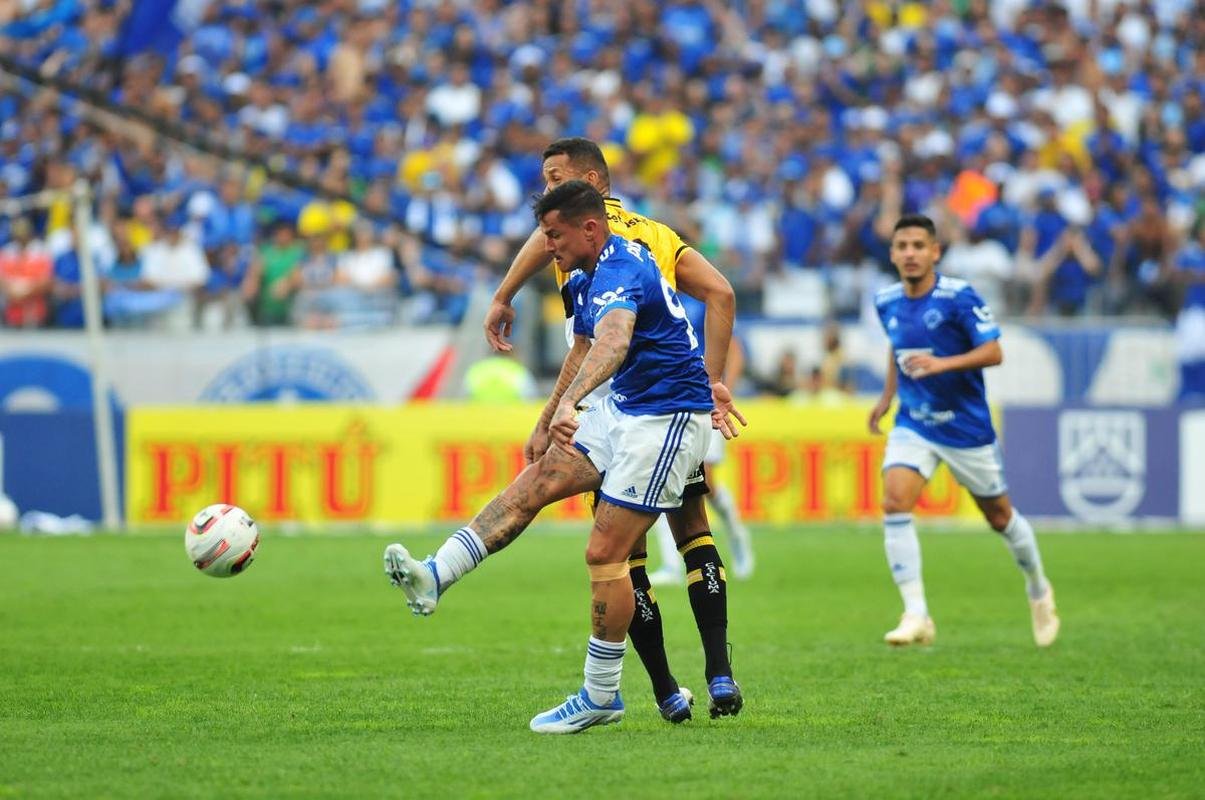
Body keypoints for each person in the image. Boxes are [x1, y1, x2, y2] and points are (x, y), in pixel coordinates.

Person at [384, 181, 716, 733]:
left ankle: (600, 694)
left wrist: (574, 401)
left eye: (554, 234)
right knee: (534, 483)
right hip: (628, 412)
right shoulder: (587, 272)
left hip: (667, 418)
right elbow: (585, 348)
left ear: (588, 227)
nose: (547, 245)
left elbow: (613, 342)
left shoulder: (620, 268)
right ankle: (434, 576)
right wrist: (550, 415)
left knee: (604, 552)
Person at [479, 138, 744, 721]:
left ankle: (665, 690)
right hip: (670, 405)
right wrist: (712, 380)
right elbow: (721, 292)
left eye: (555, 177)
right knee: (691, 530)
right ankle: (718, 674)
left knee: (622, 555)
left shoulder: (576, 237)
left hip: (614, 411)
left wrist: (503, 296)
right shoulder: (655, 234)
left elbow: (587, 336)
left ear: (592, 184)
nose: (546, 190)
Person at [867, 214, 1060, 648]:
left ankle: (1038, 587)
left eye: (919, 245)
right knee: (894, 501)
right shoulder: (886, 301)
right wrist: (887, 397)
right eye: (902, 246)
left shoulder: (959, 296)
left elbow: (994, 351)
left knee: (1000, 517)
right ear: (893, 253)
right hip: (914, 422)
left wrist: (943, 364)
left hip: (966, 427)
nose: (910, 253)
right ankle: (916, 613)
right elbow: (898, 351)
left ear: (936, 251)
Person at [646, 293, 753, 584]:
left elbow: (735, 348)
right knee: (662, 482)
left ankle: (737, 537)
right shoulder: (648, 287)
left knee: (706, 484)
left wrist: (721, 388)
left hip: (703, 403)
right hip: (664, 403)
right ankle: (671, 565)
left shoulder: (699, 295)